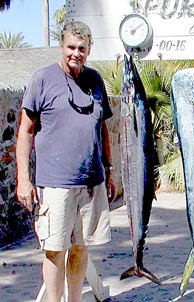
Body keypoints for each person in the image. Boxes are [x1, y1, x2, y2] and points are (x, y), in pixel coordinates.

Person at [16, 21, 116, 302]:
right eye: (71, 47)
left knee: (81, 248)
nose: (76, 53)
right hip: (55, 183)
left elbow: (103, 129)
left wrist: (110, 171)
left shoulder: (95, 80)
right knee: (55, 249)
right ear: (61, 47)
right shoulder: (42, 79)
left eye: (82, 48)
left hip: (91, 182)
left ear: (89, 50)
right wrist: (23, 178)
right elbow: (25, 130)